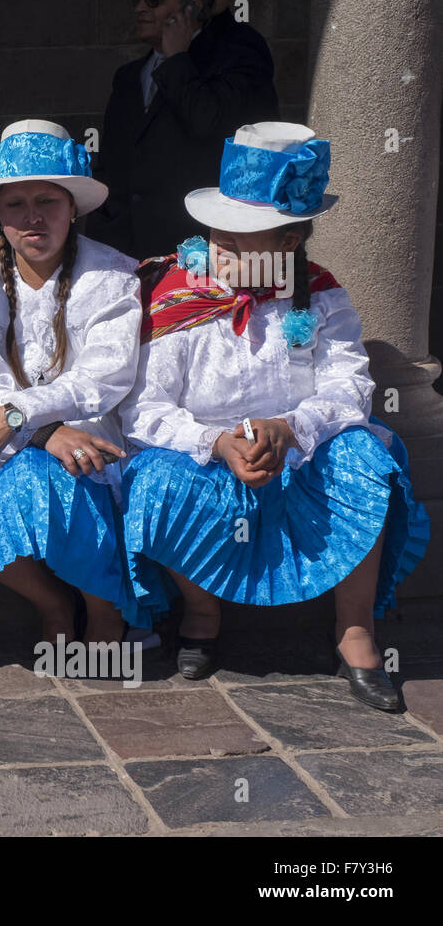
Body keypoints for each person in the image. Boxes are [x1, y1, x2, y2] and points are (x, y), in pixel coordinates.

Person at [119, 122, 431, 711]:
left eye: (247, 239)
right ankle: (202, 611)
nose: (226, 250)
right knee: (153, 481)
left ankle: (355, 631)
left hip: (300, 457)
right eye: (219, 234)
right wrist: (215, 442)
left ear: (289, 243)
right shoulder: (178, 295)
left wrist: (292, 429)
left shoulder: (321, 296)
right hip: (209, 461)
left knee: (367, 455)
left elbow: (348, 384)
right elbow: (145, 407)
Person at [0, 121, 145, 651]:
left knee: (56, 477)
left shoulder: (114, 275)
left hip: (83, 425)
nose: (32, 216)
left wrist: (29, 417)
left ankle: (104, 607)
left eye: (47, 201)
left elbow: (105, 375)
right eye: (15, 204)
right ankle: (51, 603)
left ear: (73, 208)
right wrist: (30, 427)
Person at [88, 0, 278, 260]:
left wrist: (178, 57)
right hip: (124, 254)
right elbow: (116, 162)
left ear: (192, 8)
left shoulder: (238, 54)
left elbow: (209, 123)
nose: (141, 7)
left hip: (194, 252)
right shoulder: (128, 77)